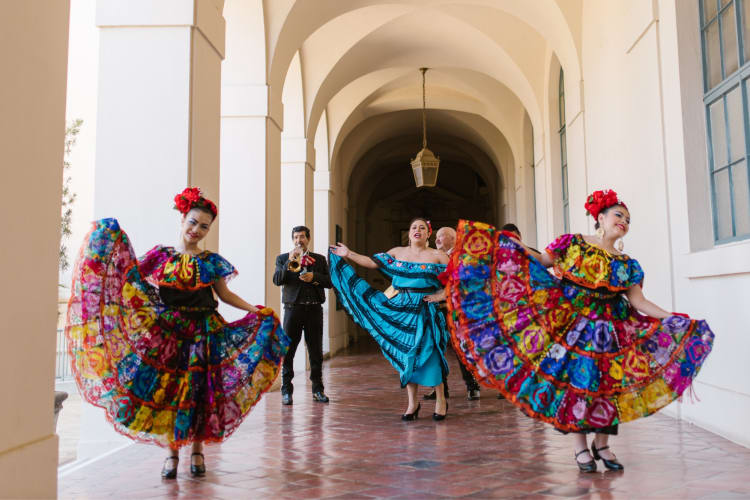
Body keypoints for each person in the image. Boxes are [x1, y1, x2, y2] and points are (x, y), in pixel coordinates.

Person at [444, 189, 714, 472]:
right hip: (572, 326)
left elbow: (639, 302)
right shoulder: (572, 244)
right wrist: (511, 247)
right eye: (618, 215)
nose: (623, 221)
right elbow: (544, 262)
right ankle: (580, 448)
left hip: (612, 331)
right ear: (600, 217)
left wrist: (674, 318)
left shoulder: (628, 265)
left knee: (608, 388)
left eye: (628, 220)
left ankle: (603, 443)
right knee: (580, 387)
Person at [65, 187, 289, 479]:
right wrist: (111, 248)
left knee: (199, 393)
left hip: (204, 333)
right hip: (168, 337)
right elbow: (132, 280)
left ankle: (197, 451)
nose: (197, 229)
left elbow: (224, 295)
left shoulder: (210, 261)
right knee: (170, 393)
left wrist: (254, 309)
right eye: (193, 222)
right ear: (183, 218)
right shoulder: (160, 256)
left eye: (204, 226)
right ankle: (172, 454)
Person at [329, 218, 450, 420]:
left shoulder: (438, 256)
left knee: (432, 354)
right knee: (406, 356)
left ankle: (441, 400)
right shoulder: (397, 252)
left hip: (426, 309)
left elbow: (458, 280)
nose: (417, 230)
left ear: (429, 234)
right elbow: (372, 262)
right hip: (401, 309)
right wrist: (348, 254)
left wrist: (439, 296)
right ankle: (413, 404)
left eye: (422, 228)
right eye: (413, 227)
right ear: (409, 233)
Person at [273, 225, 332, 405]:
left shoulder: (319, 259)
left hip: (314, 309)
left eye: (302, 237)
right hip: (293, 309)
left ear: (308, 239)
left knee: (315, 352)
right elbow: (277, 280)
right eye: (296, 237)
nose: (299, 240)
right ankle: (286, 391)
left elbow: (329, 282)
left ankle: (318, 390)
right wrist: (288, 262)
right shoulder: (283, 258)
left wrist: (314, 277)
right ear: (293, 240)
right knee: (288, 351)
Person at [424, 226, 482, 401]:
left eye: (441, 236)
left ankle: (472, 385)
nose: (437, 240)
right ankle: (440, 388)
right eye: (436, 237)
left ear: (453, 238)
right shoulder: (434, 256)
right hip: (436, 308)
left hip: (458, 309)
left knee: (461, 349)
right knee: (436, 348)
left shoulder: (462, 256)